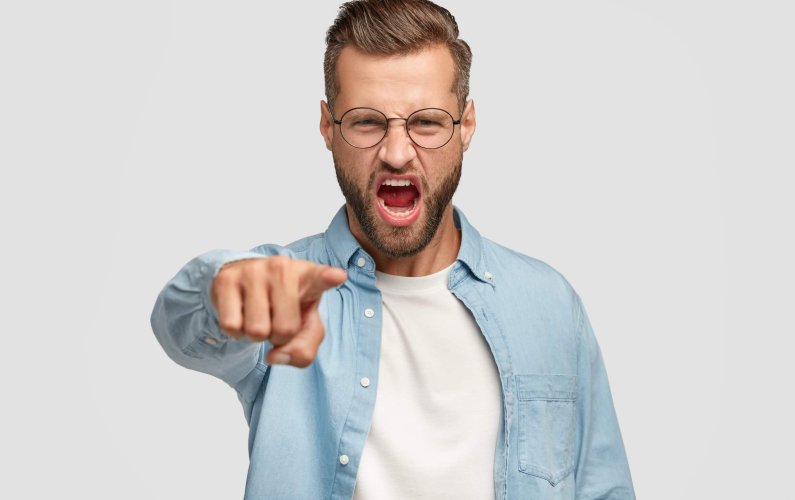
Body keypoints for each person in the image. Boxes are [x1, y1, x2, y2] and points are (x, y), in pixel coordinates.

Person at [151, 0, 635, 498]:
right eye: (366, 122)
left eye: (426, 122)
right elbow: (180, 325)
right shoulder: (282, 290)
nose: (397, 153)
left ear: (466, 125)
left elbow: (605, 489)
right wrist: (222, 288)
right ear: (328, 127)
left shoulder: (548, 303)